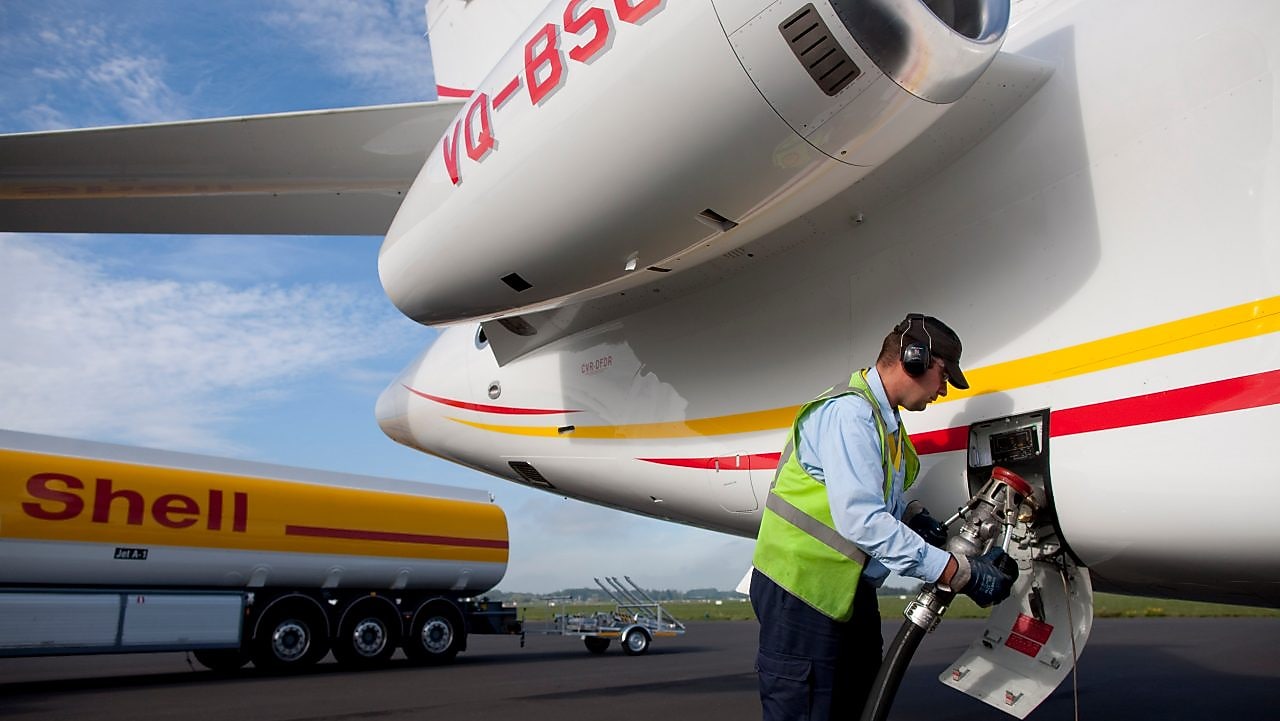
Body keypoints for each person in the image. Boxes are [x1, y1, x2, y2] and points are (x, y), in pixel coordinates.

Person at [750, 313, 1018, 721]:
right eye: (944, 376)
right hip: (800, 590)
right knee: (806, 709)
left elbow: (882, 498)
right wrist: (955, 572)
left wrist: (917, 520)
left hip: (845, 590)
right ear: (914, 360)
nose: (943, 391)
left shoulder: (886, 421)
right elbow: (862, 521)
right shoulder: (851, 415)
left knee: (858, 702)